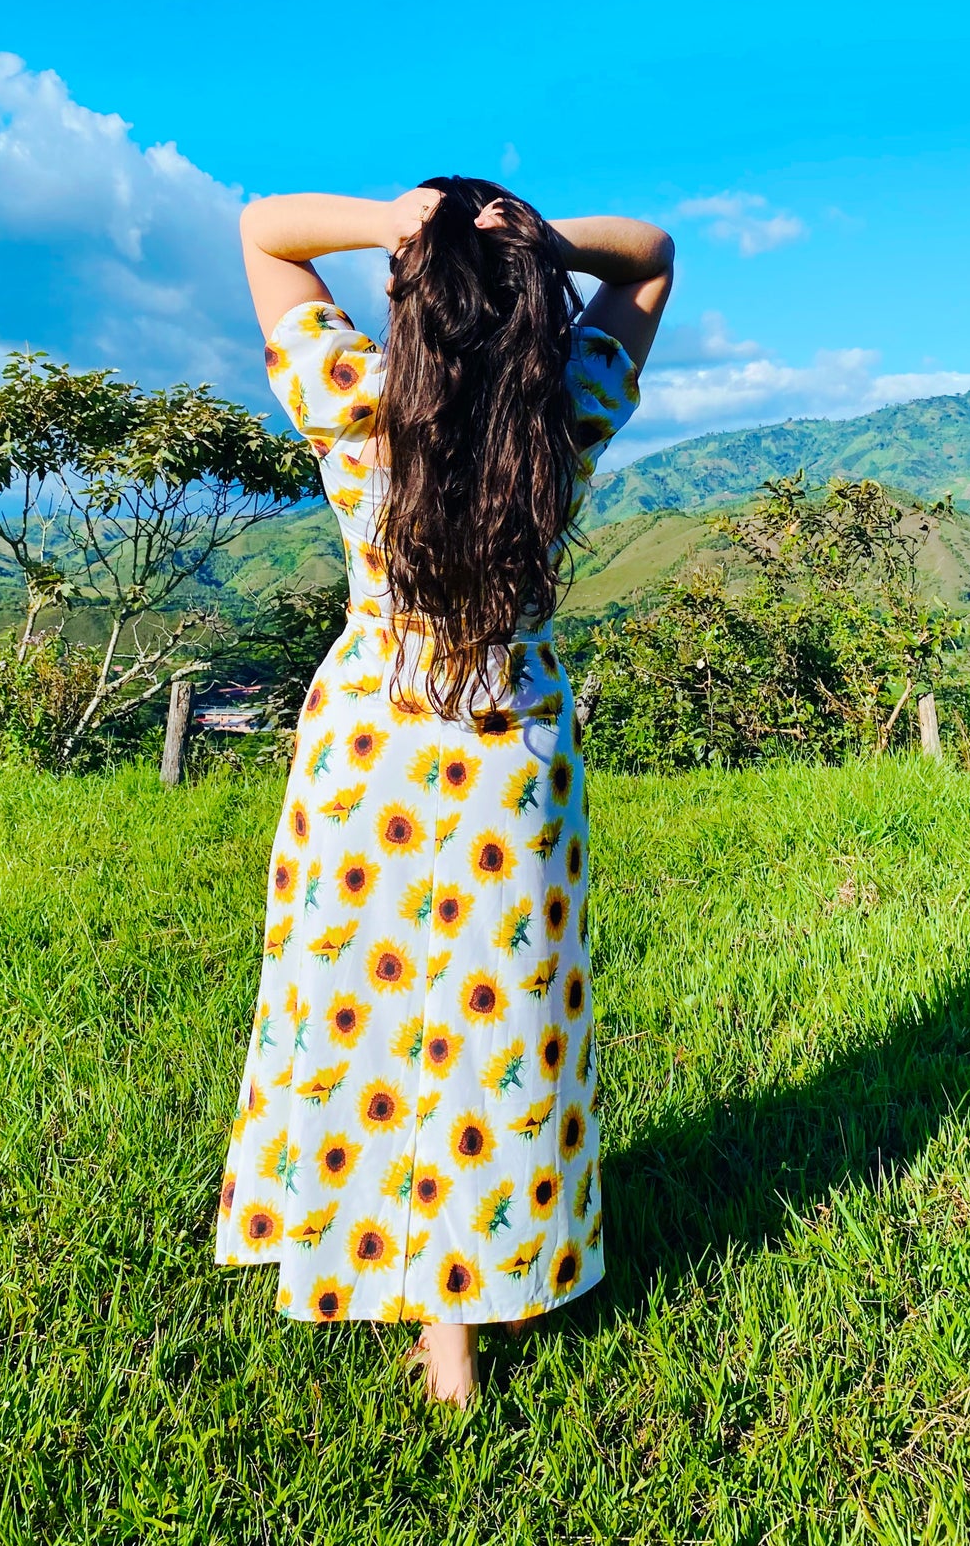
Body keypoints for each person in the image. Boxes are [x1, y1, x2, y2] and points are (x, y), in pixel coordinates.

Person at [215, 178, 672, 1403]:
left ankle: (399, 1288)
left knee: (355, 1019)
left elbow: (262, 228)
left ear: (407, 298)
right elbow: (653, 255)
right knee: (498, 1032)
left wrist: (394, 219)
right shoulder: (563, 410)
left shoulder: (356, 407)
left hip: (367, 759)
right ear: (532, 303)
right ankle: (480, 1294)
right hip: (513, 764)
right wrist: (535, 245)